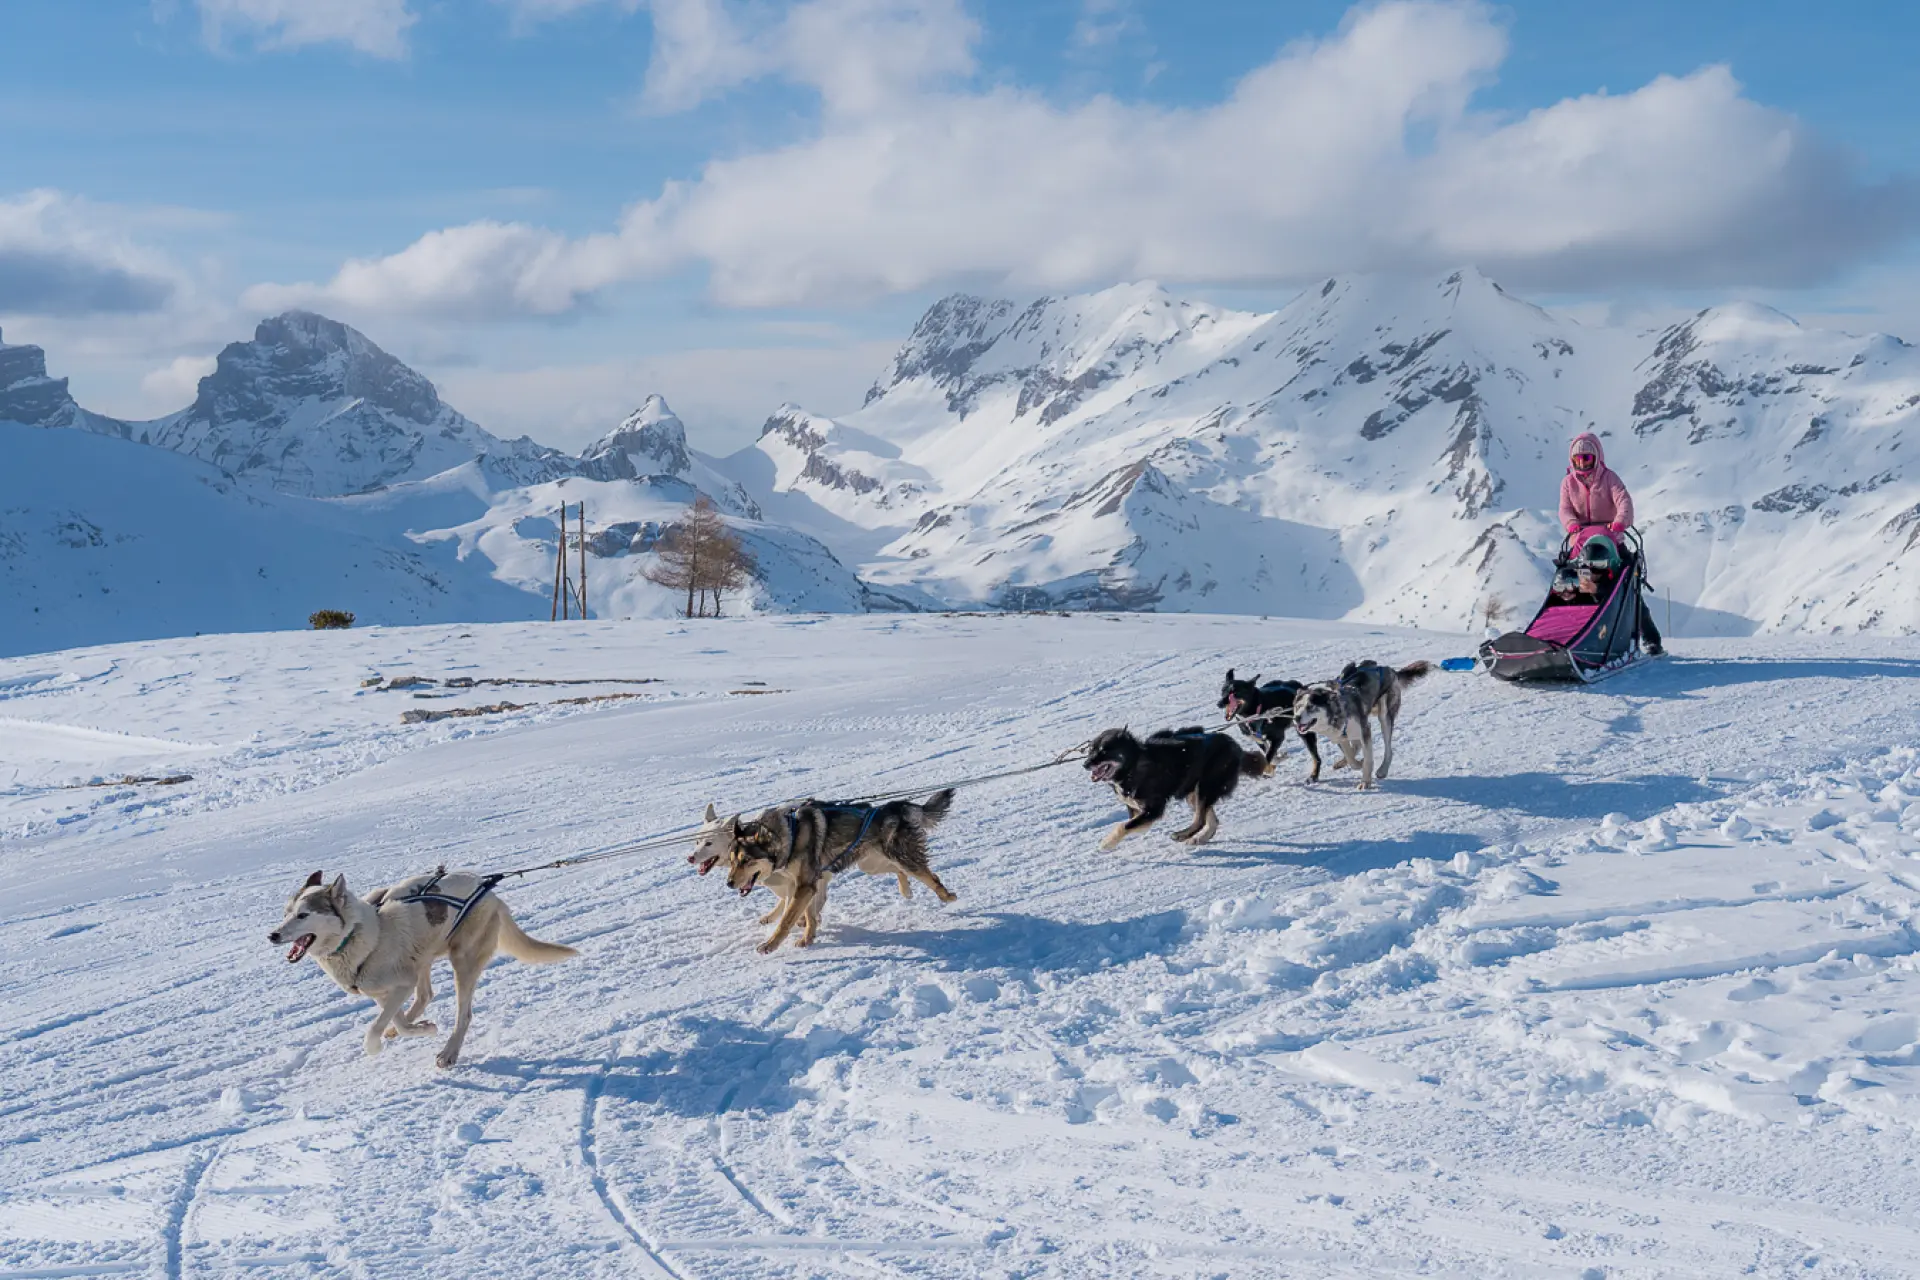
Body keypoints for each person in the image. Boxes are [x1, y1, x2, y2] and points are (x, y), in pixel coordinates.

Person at [1555, 433, 1662, 655]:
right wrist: (1572, 524)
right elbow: (1564, 509)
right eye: (1578, 459)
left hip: (1612, 542)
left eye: (1587, 458)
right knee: (1572, 589)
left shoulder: (1610, 478)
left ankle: (1651, 639)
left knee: (1629, 591)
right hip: (1582, 545)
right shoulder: (1567, 483)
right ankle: (1568, 638)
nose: (1582, 463)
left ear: (1597, 457)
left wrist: (1620, 523)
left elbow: (1624, 501)